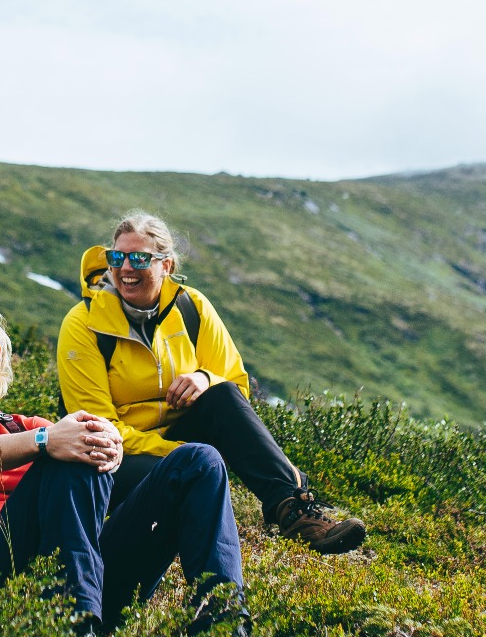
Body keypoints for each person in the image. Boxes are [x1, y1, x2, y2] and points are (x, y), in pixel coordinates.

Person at [0, 295, 246, 635]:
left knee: (200, 461)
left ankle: (225, 631)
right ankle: (76, 631)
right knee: (69, 451)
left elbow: (82, 454)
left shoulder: (28, 428)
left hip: (63, 581)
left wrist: (110, 446)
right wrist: (49, 442)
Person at [57, 211, 367, 555]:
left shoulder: (193, 307)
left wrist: (205, 378)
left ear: (166, 266)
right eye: (117, 257)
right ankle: (210, 584)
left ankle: (294, 509)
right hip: (115, 457)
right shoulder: (82, 323)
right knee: (188, 478)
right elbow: (98, 430)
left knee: (221, 395)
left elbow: (235, 387)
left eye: (140, 258)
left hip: (183, 442)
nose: (126, 268)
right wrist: (182, 455)